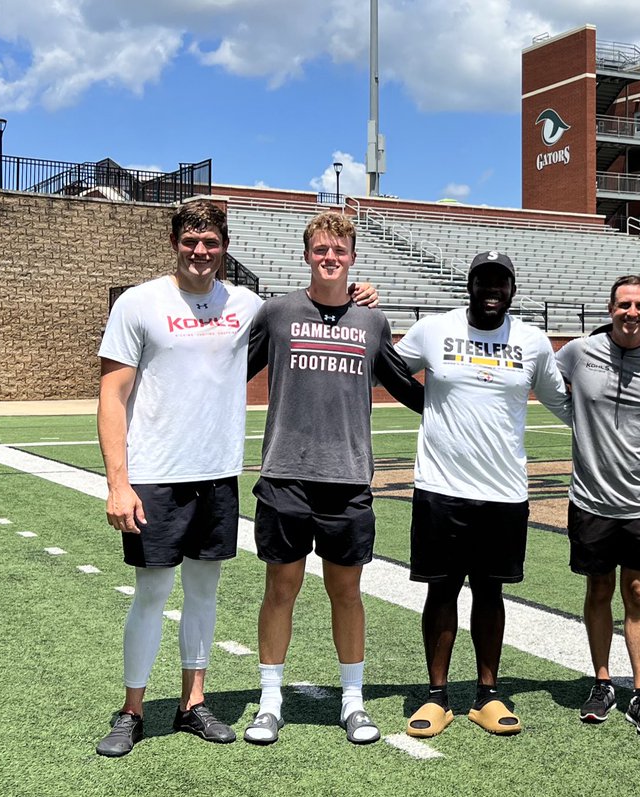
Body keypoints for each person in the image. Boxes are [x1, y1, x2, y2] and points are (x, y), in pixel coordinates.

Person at [95, 201, 379, 757]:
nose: (200, 251)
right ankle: (132, 710)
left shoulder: (248, 305)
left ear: (224, 247)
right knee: (151, 592)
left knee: (204, 593)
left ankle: (192, 703)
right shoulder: (139, 302)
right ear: (174, 241)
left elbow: (311, 307)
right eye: (190, 240)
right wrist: (117, 481)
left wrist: (356, 293)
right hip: (154, 473)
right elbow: (112, 393)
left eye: (211, 241)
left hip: (219, 471)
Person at [242, 211, 424, 746]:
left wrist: (470, 399)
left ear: (352, 257)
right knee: (281, 590)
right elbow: (227, 371)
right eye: (321, 249)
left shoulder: (373, 321)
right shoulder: (276, 313)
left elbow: (406, 385)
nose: (330, 258)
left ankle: (353, 702)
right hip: (284, 475)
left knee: (347, 593)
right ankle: (269, 704)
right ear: (306, 255)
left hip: (347, 480)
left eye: (339, 251)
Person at [394, 250, 571, 738]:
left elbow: (562, 402)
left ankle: (487, 694)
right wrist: (427, 405)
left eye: (501, 282)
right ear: (469, 285)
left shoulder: (532, 341)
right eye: (483, 281)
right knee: (442, 589)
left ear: (512, 289)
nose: (492, 290)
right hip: (440, 487)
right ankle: (436, 696)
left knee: (490, 592)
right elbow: (388, 366)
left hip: (504, 490)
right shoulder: (434, 328)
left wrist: (609, 427)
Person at [556, 275, 640, 738]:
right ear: (609, 309)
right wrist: (574, 419)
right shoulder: (576, 352)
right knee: (597, 590)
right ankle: (602, 681)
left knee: (639, 593)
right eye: (624, 304)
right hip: (590, 498)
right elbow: (545, 380)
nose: (632, 312)